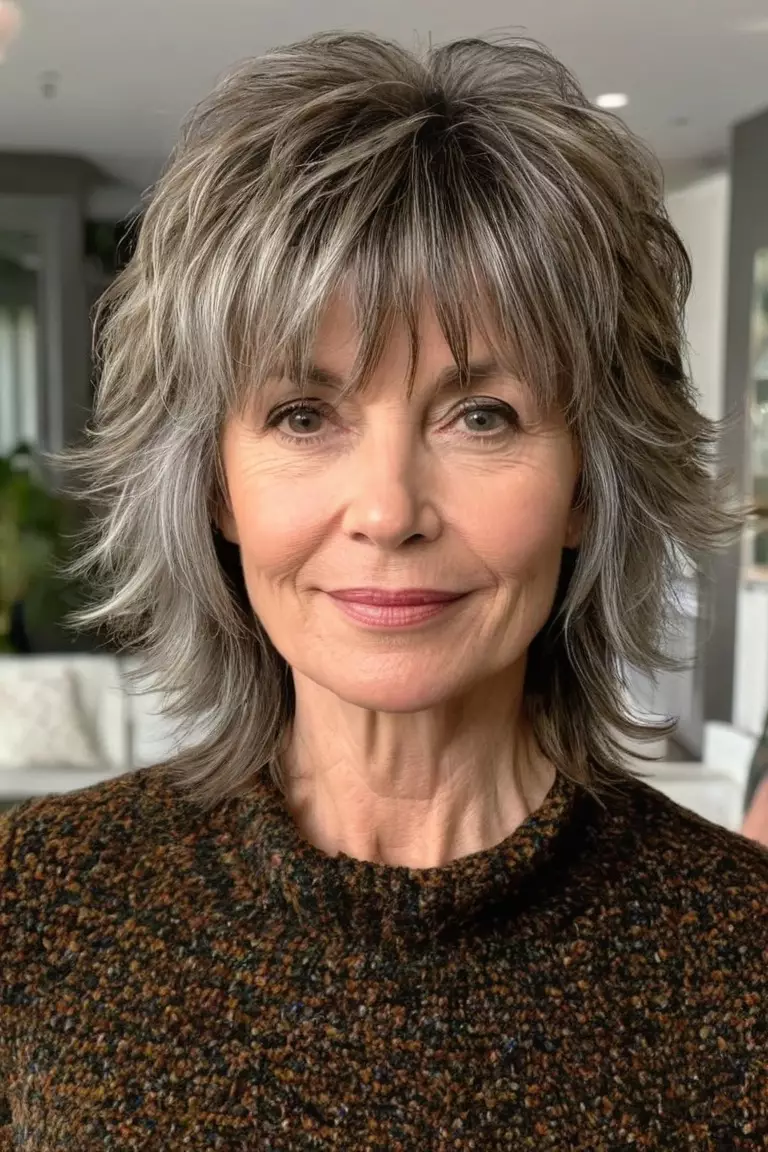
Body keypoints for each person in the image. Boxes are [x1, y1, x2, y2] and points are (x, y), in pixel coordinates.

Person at [1, 31, 766, 1150]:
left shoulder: (744, 954)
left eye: (482, 415)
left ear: (588, 486)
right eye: (303, 416)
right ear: (214, 486)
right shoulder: (35, 907)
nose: (388, 508)